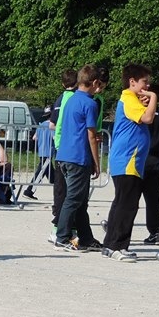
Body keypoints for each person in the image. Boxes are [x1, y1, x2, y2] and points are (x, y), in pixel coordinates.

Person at [101, 64, 158, 261]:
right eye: (144, 82)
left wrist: (145, 101)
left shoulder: (131, 99)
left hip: (129, 161)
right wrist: (154, 97)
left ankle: (109, 245)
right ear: (132, 82)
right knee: (127, 205)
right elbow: (148, 118)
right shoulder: (128, 98)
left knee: (121, 203)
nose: (147, 86)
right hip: (128, 160)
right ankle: (118, 246)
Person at [53, 64, 106, 252]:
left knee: (81, 201)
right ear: (94, 82)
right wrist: (96, 163)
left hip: (64, 155)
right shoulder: (90, 104)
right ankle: (62, 237)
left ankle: (86, 238)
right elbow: (91, 136)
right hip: (78, 157)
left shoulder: (71, 99)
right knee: (74, 199)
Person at [49, 69, 78, 231]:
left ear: (62, 83)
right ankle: (61, 224)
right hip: (69, 148)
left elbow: (52, 124)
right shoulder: (75, 98)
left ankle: (60, 219)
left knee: (61, 188)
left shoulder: (60, 98)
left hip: (59, 147)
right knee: (69, 189)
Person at [141, 83, 159, 245]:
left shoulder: (145, 116)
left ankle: (120, 229)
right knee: (153, 201)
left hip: (143, 162)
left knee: (128, 200)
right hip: (156, 164)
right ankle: (155, 232)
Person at [22, 116, 54, 200]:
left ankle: (60, 189)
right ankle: (29, 191)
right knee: (40, 173)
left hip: (41, 151)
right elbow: (54, 137)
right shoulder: (52, 126)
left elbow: (34, 137)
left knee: (51, 174)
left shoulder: (41, 125)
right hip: (48, 152)